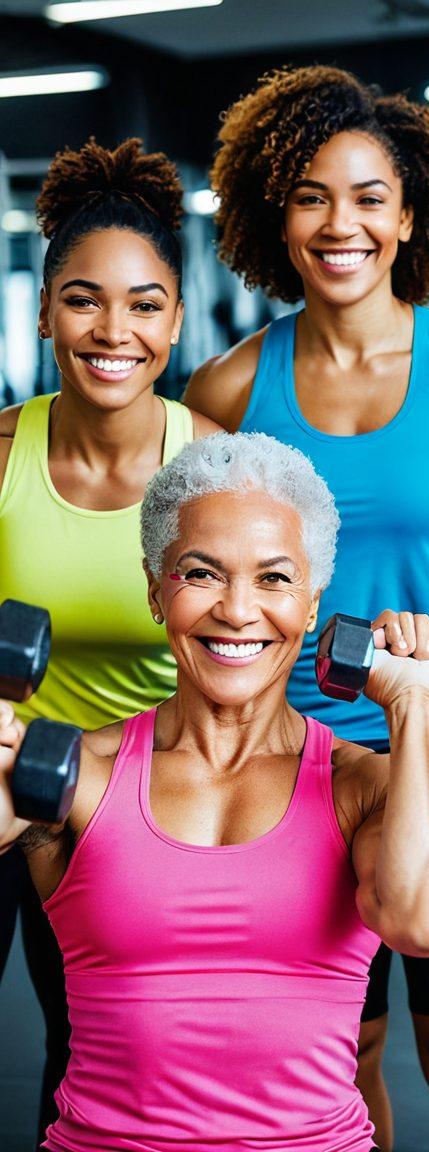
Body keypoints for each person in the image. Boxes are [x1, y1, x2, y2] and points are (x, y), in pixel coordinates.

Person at [184, 65, 429, 1152]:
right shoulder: (226, 391)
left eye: (367, 197)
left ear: (408, 217)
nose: (339, 223)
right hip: (296, 763)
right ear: (278, 218)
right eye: (310, 197)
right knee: (334, 1067)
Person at [1, 431, 429, 1152]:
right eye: (202, 573)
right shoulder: (74, 771)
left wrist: (413, 704)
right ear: (155, 590)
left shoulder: (362, 786)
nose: (236, 609)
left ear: (313, 604)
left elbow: (428, 922)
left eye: (274, 579)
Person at [0, 137, 218, 1143]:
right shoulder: (5, 452)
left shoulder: (212, 467)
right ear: (45, 312)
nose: (113, 330)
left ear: (175, 320)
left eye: (143, 304)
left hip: (136, 802)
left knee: (89, 1058)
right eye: (83, 300)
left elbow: (244, 650)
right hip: (5, 779)